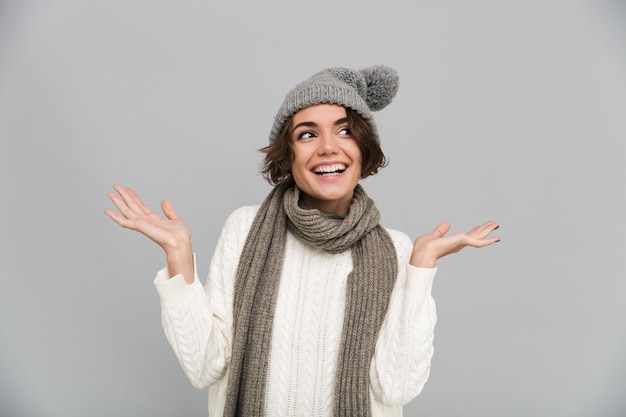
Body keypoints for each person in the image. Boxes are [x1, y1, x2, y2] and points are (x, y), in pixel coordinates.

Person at [105, 65, 500, 417]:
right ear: (288, 156)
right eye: (307, 134)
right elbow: (206, 367)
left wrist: (422, 266)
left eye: (344, 130)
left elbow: (397, 389)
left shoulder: (396, 251)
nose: (328, 146)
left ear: (363, 149)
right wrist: (178, 257)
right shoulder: (245, 229)